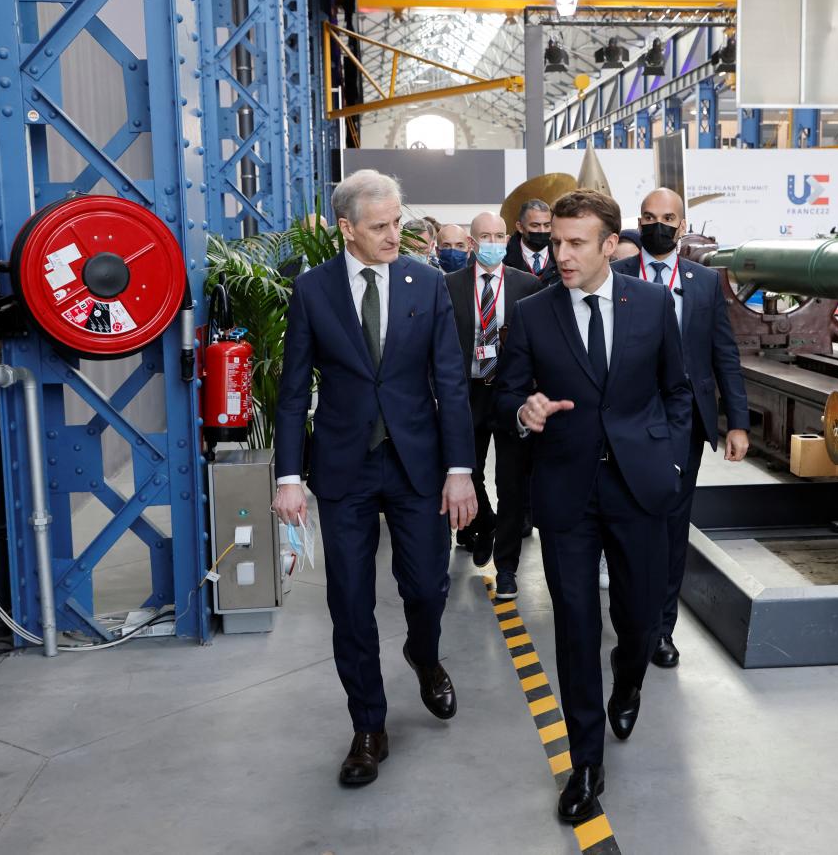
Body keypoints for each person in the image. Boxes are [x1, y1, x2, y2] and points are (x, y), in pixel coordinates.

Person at [272, 169, 478, 787]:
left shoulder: (427, 282)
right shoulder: (313, 291)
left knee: (425, 586)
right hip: (344, 468)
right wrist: (287, 477)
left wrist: (461, 470)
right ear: (347, 229)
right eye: (381, 227)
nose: (395, 235)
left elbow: (449, 381)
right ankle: (369, 726)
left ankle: (423, 651)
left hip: (416, 463)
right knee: (350, 603)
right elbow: (290, 393)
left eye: (397, 222)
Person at [494, 189, 691, 823]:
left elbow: (677, 391)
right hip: (566, 494)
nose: (562, 254)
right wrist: (524, 413)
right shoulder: (531, 312)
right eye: (555, 242)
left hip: (639, 489)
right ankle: (585, 761)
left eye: (576, 242)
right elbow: (506, 397)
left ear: (611, 245)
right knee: (575, 622)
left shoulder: (654, 305)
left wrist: (673, 462)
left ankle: (628, 677)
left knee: (637, 619)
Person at [611, 187, 750, 668]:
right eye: (648, 217)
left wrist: (737, 423)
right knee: (628, 525)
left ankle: (660, 631)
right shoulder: (617, 275)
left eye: (667, 217)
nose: (658, 225)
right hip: (627, 422)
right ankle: (628, 620)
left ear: (682, 223)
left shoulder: (705, 283)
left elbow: (724, 355)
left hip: (684, 423)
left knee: (672, 528)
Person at [445, 212, 541, 599]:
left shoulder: (529, 286)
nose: (493, 242)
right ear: (472, 243)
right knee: (464, 468)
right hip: (466, 392)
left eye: (499, 235)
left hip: (510, 394)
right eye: (485, 235)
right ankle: (484, 521)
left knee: (512, 480)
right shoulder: (448, 286)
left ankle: (507, 568)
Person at [503, 199, 559, 287]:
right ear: (520, 227)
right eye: (535, 226)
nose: (542, 231)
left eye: (547, 225)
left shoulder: (562, 256)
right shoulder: (503, 257)